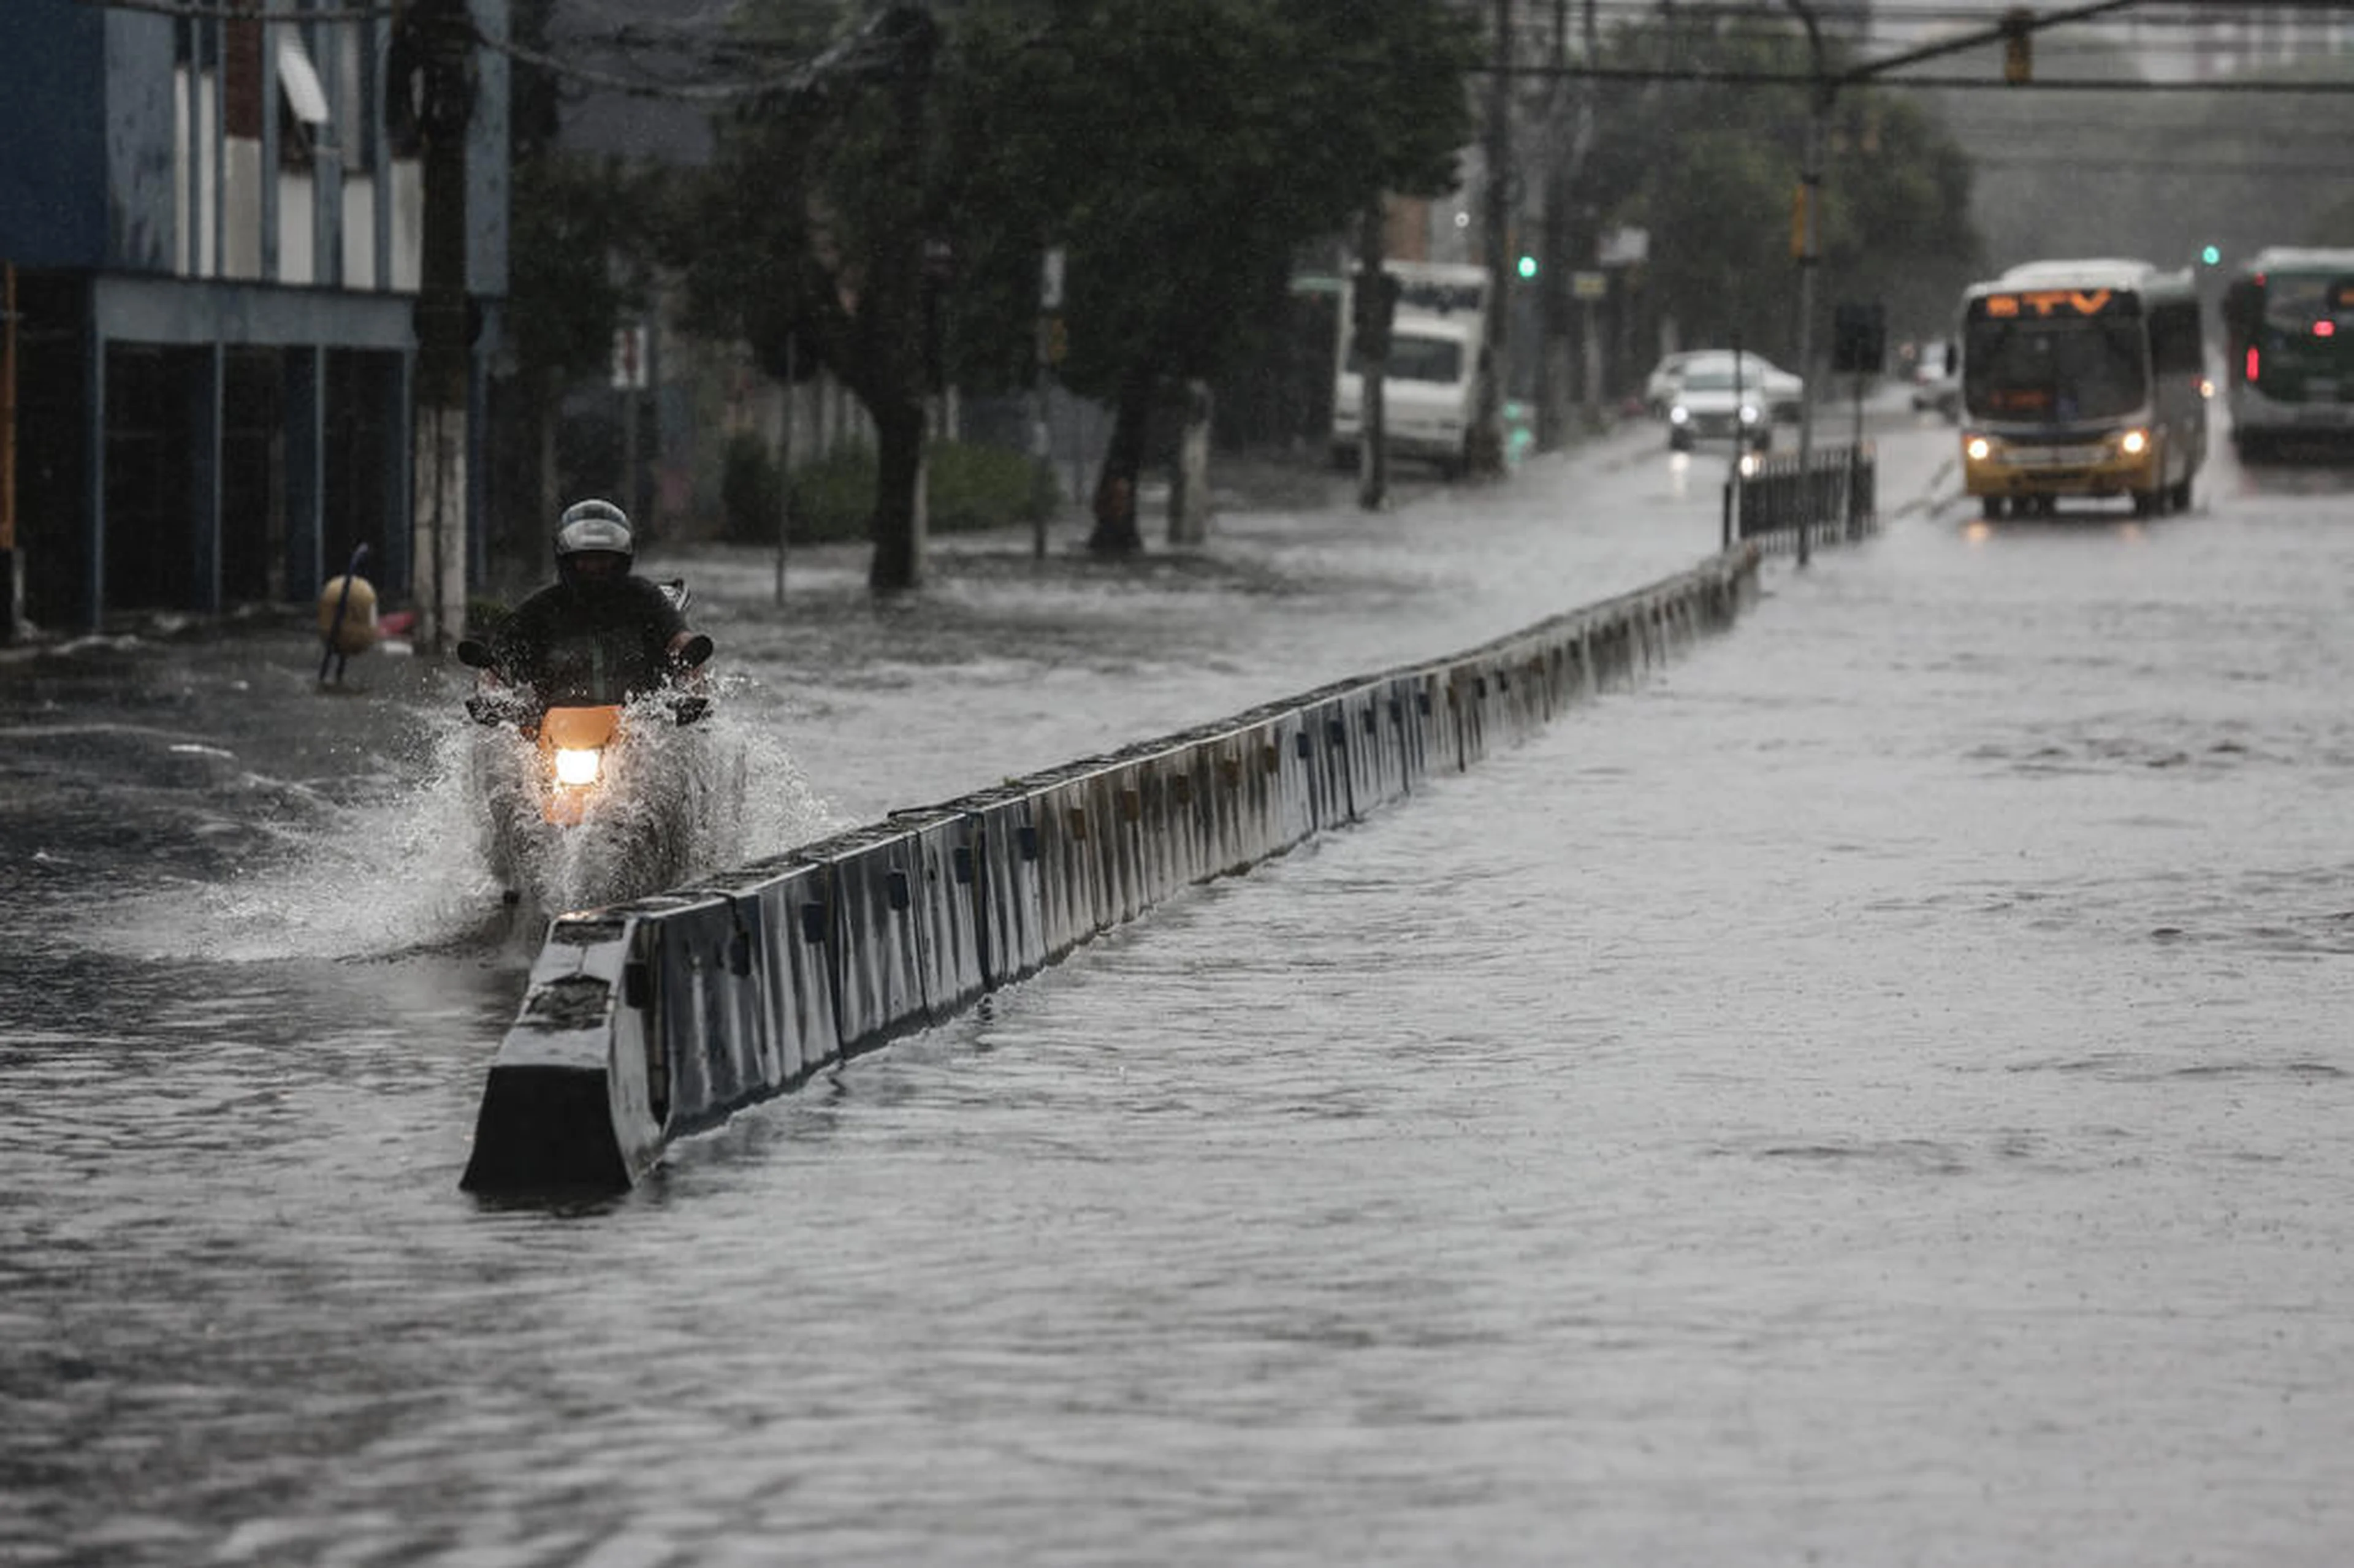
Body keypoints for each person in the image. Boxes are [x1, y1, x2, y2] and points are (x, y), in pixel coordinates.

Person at [482, 499, 710, 712]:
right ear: (567, 560)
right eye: (586, 559)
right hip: (554, 731)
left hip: (639, 727)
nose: (594, 568)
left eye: (603, 558)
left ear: (622, 559)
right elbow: (496, 661)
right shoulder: (541, 607)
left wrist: (693, 694)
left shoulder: (645, 598)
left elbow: (683, 642)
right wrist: (490, 698)